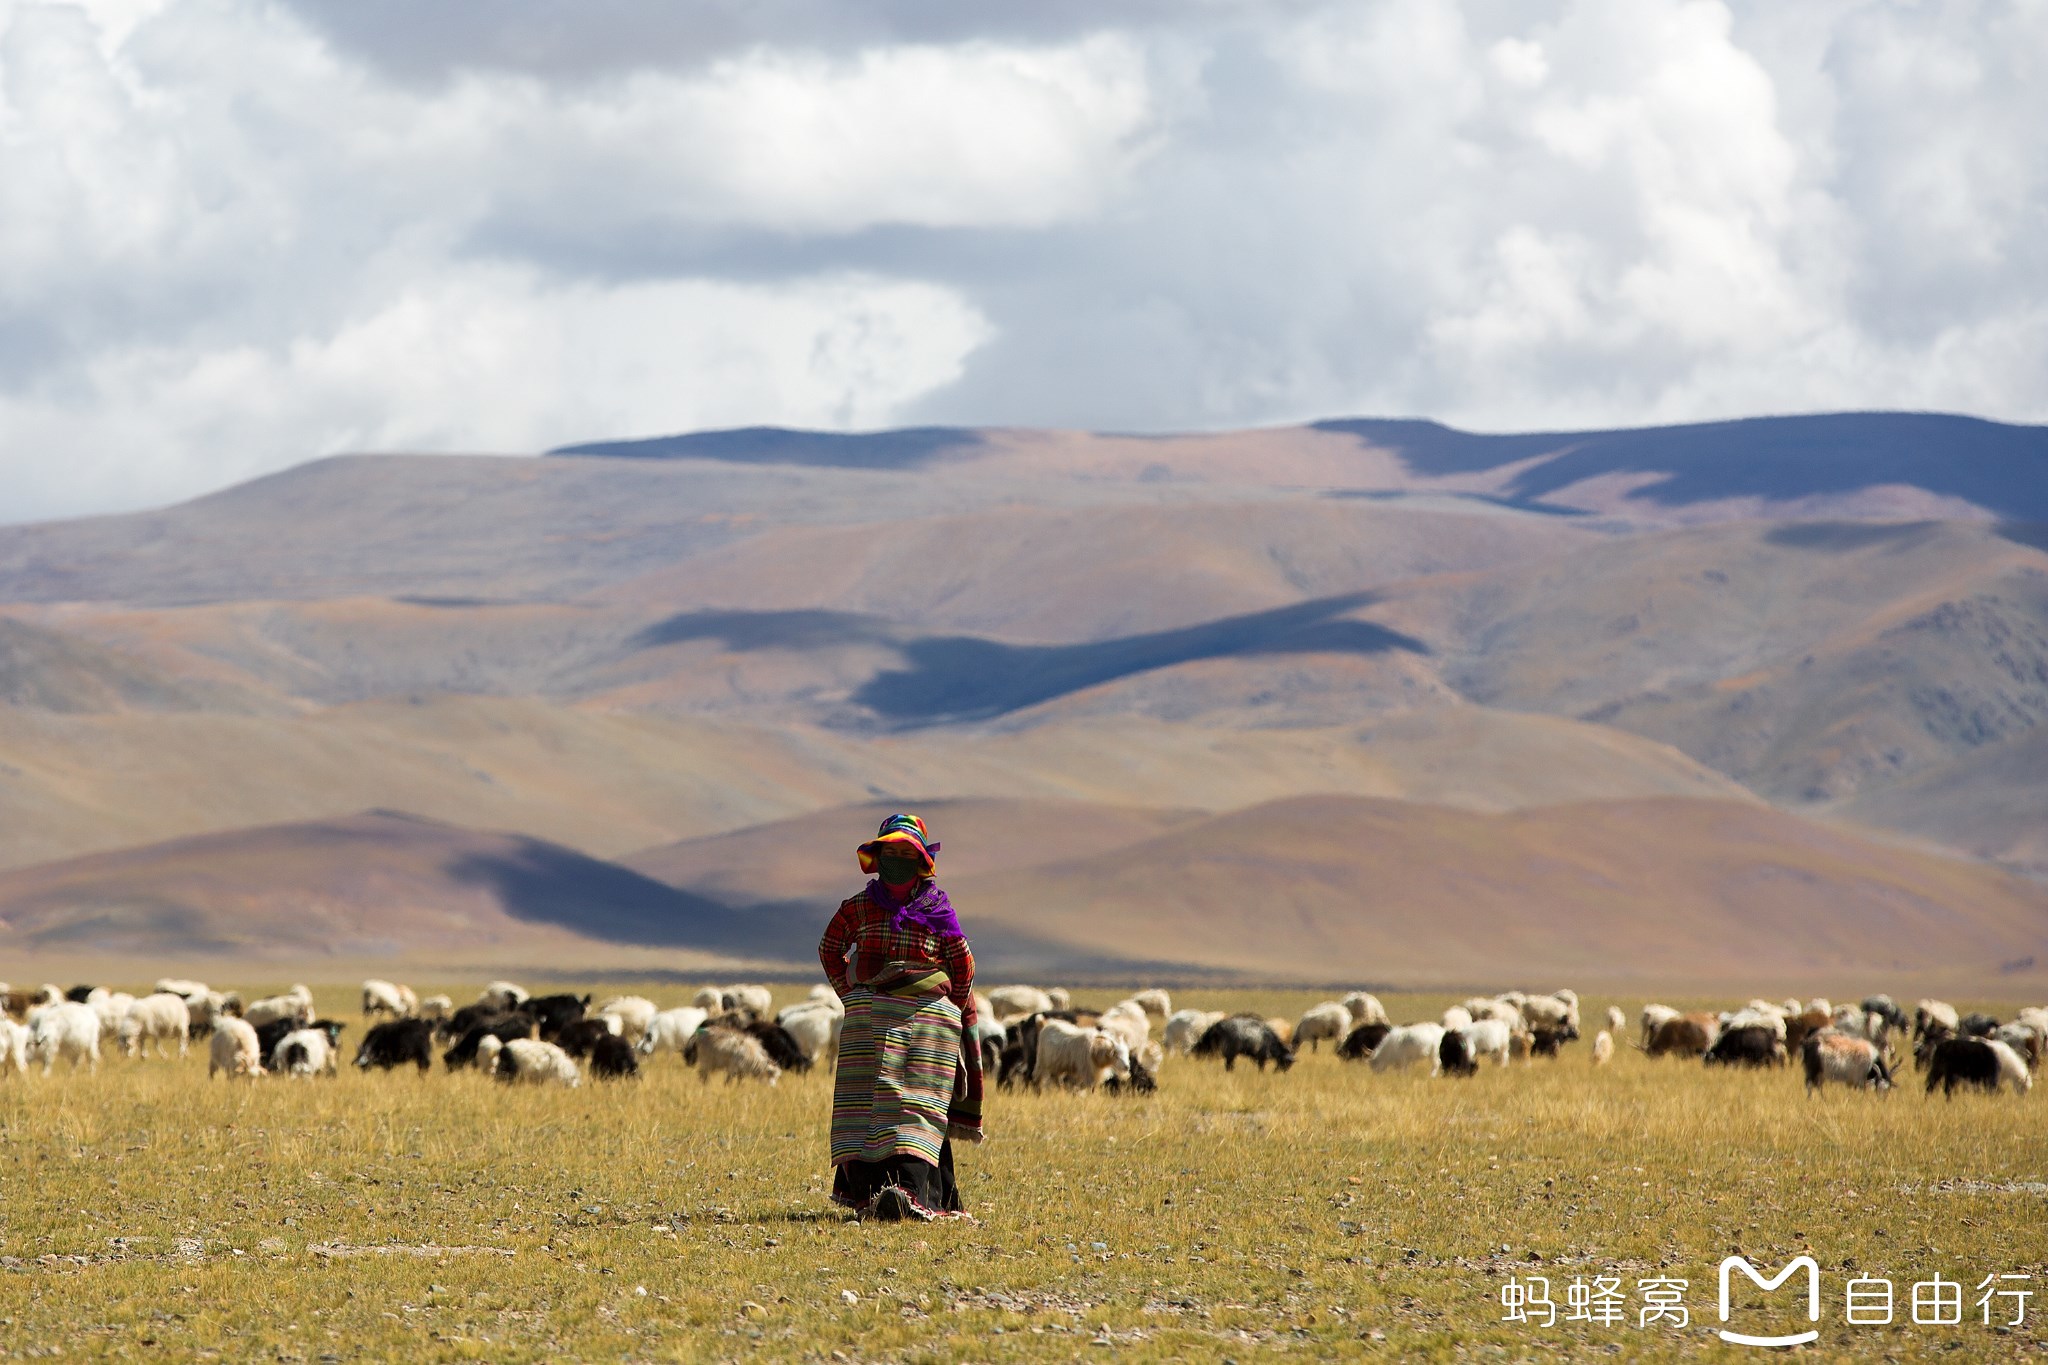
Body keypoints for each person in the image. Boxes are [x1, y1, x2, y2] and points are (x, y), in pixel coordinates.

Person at [818, 813, 982, 1221]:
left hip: (926, 1025)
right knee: (865, 1103)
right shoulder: (857, 908)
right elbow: (829, 948)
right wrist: (853, 997)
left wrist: (949, 1013)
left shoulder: (938, 910)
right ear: (876, 858)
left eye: (905, 852)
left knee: (916, 1102)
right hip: (867, 1023)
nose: (896, 859)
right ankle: (868, 1194)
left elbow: (962, 966)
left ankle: (913, 1193)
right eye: (888, 851)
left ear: (920, 861)